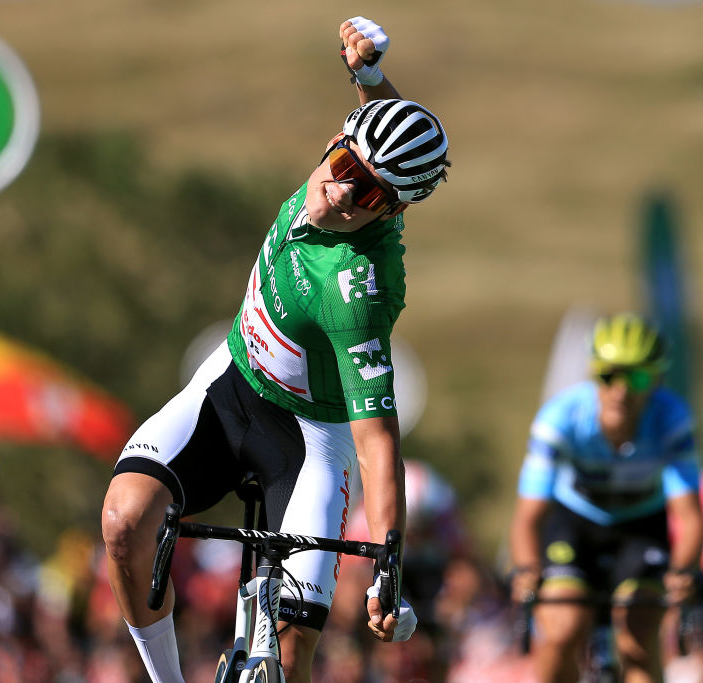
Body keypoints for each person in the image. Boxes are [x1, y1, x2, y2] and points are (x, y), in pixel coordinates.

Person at [100, 16, 450, 683]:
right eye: (343, 166)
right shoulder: (346, 169)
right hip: (229, 385)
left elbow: (378, 437)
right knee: (123, 523)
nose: (343, 191)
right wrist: (370, 78)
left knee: (289, 658)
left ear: (390, 212)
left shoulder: (357, 292)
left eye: (368, 193)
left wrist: (387, 560)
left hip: (310, 437)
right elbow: (381, 134)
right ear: (335, 144)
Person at [509, 313, 703, 683]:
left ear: (658, 380)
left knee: (637, 641)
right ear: (593, 374)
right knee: (562, 630)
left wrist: (683, 572)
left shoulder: (673, 419)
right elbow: (528, 516)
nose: (622, 390)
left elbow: (690, 514)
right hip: (574, 524)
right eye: (608, 375)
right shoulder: (560, 418)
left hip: (640, 527)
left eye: (638, 377)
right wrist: (525, 569)